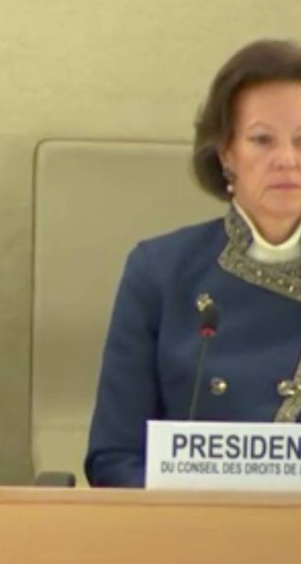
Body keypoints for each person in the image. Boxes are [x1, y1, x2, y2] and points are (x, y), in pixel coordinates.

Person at [86, 39, 301, 487]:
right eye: (262, 140)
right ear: (226, 153)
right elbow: (114, 457)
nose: (287, 160)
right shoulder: (159, 271)